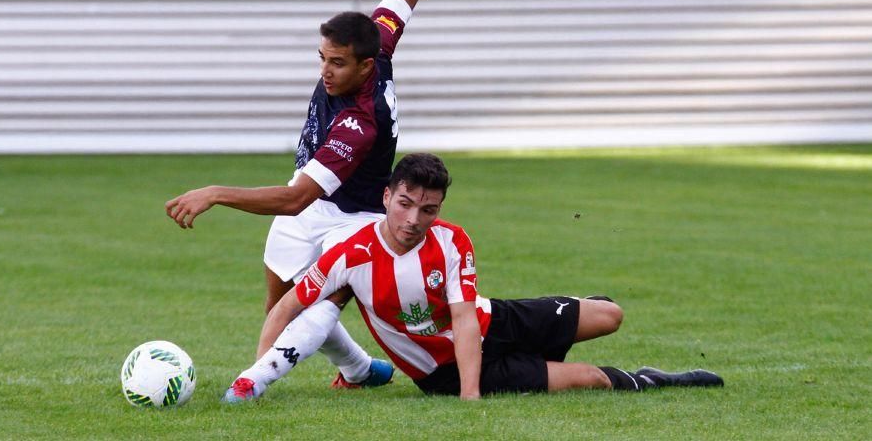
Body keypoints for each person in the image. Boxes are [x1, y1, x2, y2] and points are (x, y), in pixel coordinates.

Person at [165, 0, 476, 388]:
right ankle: (357, 370)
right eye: (321, 58)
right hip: (309, 196)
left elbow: (296, 200)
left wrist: (216, 192)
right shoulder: (378, 39)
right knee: (277, 299)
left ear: (362, 65)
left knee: (322, 299)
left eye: (336, 63)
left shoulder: (358, 123)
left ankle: (251, 385)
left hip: (353, 215)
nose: (324, 71)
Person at [222, 153, 724, 401]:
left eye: (428, 209)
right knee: (591, 378)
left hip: (488, 322)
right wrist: (255, 374)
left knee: (611, 314)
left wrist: (472, 398)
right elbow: (287, 307)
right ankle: (655, 380)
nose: (414, 219)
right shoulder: (348, 256)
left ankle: (561, 323)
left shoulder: (452, 239)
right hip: (442, 373)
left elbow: (465, 316)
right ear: (386, 199)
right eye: (405, 204)